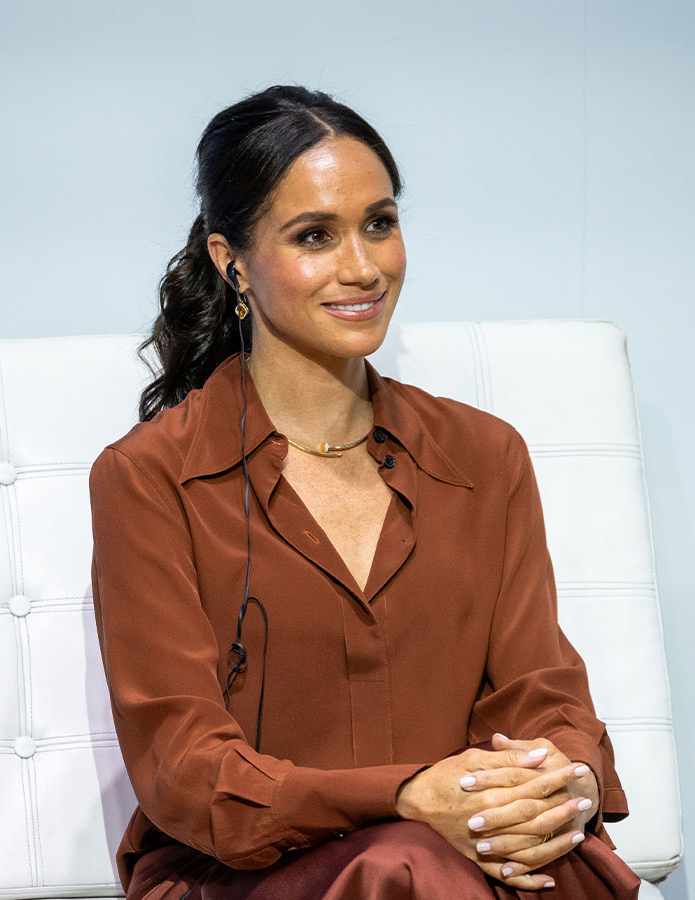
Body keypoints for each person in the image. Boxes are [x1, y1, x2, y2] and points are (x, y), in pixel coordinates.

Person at [88, 84, 641, 899]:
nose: (363, 267)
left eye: (379, 223)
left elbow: (542, 692)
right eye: (315, 236)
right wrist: (404, 797)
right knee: (403, 865)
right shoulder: (149, 478)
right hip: (242, 875)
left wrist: (567, 781)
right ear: (230, 261)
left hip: (466, 858)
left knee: (544, 863)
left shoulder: (485, 457)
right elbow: (185, 766)